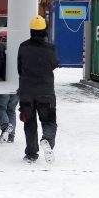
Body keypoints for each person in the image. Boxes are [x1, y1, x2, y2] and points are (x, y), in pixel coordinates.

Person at [17, 16, 58, 163]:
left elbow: (19, 69)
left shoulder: (23, 47)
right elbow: (54, 64)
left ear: (31, 31)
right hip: (45, 92)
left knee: (29, 123)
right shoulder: (50, 48)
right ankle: (47, 139)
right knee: (48, 121)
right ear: (44, 31)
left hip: (27, 92)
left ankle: (31, 154)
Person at [0, 30, 19, 143]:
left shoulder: (0, 46)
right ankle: (11, 136)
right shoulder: (17, 47)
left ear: (0, 39)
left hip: (1, 84)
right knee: (11, 109)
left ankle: (6, 126)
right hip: (16, 84)